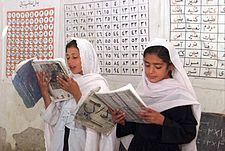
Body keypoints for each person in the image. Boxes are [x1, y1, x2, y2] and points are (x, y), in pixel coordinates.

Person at [112, 38, 201, 151]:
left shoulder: (179, 95)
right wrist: (121, 121)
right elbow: (135, 128)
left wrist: (162, 121)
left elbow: (188, 133)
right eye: (147, 65)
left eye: (158, 66)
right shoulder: (141, 91)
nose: (150, 71)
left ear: (171, 66)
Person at [36, 38, 117, 151]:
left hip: (82, 144)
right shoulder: (68, 81)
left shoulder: (98, 85)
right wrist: (45, 92)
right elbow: (54, 120)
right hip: (60, 143)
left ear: (86, 57)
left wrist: (76, 93)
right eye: (68, 57)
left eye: (75, 57)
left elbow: (103, 123)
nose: (70, 62)